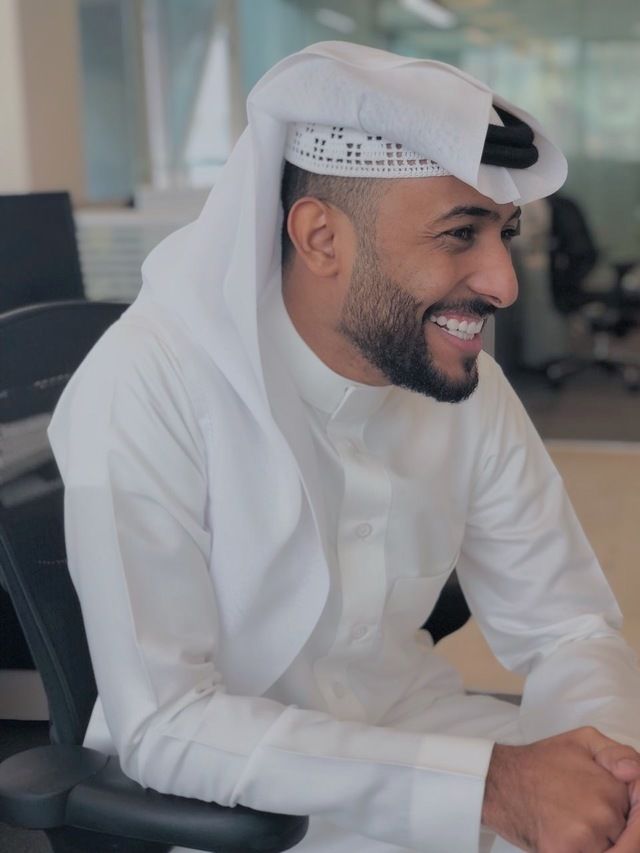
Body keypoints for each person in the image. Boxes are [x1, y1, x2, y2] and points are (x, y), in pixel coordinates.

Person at [48, 42, 640, 852]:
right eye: (459, 233)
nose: (503, 282)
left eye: (504, 233)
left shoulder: (463, 382)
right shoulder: (149, 384)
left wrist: (611, 778)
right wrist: (492, 789)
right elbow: (167, 722)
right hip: (244, 808)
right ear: (321, 237)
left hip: (429, 734)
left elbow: (568, 628)